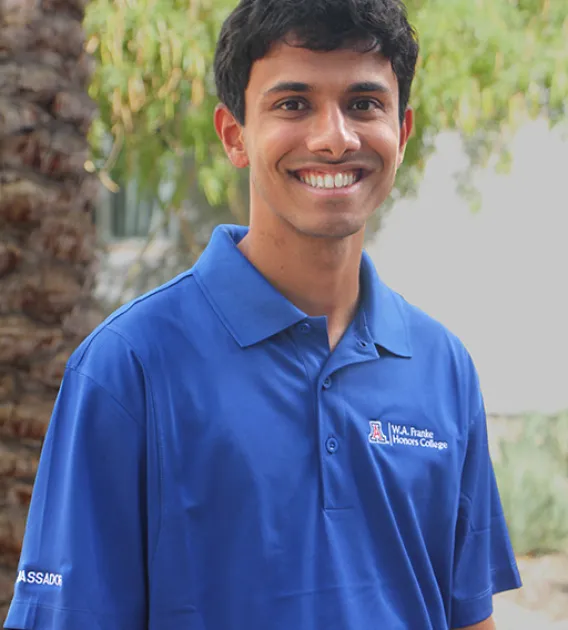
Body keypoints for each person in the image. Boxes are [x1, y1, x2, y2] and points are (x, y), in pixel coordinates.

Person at [5, 0, 522, 628]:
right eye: (292, 103)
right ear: (234, 136)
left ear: (402, 132)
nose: (334, 137)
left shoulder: (442, 365)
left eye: (364, 103)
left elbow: (469, 616)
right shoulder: (128, 366)